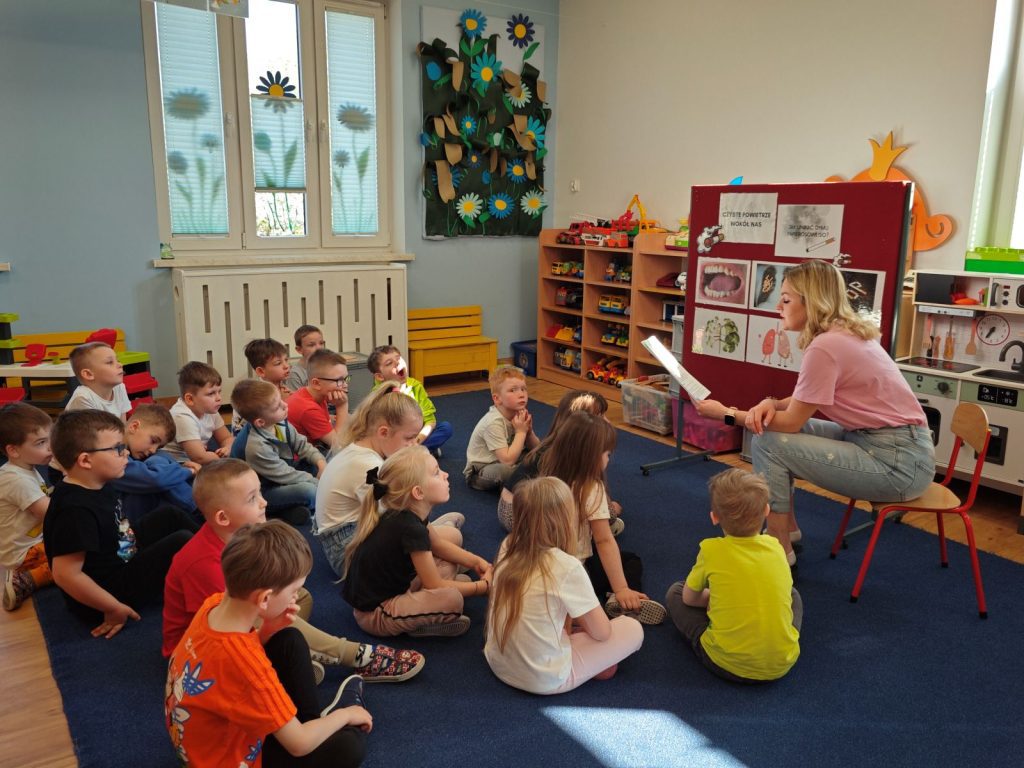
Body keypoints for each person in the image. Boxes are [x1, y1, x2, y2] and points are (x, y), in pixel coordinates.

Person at [694, 259, 935, 564]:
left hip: (898, 464)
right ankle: (786, 531)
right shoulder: (844, 334)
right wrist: (772, 402)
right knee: (768, 435)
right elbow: (803, 399)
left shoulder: (825, 347)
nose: (778, 307)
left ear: (812, 302)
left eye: (786, 300)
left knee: (768, 442)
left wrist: (725, 414)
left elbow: (791, 423)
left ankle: (779, 546)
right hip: (897, 448)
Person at [162, 459, 424, 683]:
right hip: (198, 657)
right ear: (223, 518)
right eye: (252, 498)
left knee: (300, 597)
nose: (264, 502)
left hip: (238, 624)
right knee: (276, 612)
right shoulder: (204, 564)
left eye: (260, 492)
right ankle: (354, 655)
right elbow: (225, 629)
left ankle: (287, 656)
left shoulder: (238, 539)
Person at [165, 520, 372, 768]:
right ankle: (324, 722)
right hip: (232, 759)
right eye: (294, 591)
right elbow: (299, 744)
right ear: (264, 599)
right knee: (350, 746)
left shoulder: (213, 604)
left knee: (289, 639)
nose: (296, 598)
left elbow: (228, 665)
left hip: (209, 739)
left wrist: (269, 629)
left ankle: (314, 724)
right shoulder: (247, 665)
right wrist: (345, 715)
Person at [42, 410, 197, 637]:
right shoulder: (75, 509)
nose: (125, 453)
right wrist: (112, 608)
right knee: (181, 541)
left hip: (122, 555)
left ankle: (225, 555)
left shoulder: (102, 482)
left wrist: (137, 549)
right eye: (117, 449)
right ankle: (222, 575)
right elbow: (65, 575)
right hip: (108, 594)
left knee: (170, 515)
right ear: (85, 460)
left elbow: (120, 526)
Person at [484, 477, 644, 694]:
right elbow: (603, 633)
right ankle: (583, 651)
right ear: (565, 521)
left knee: (564, 617)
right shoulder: (566, 566)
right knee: (632, 629)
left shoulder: (508, 545)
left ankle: (579, 642)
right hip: (544, 679)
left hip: (498, 664)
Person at [665, 469, 801, 683]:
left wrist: (714, 598)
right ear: (766, 511)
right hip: (783, 663)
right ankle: (777, 642)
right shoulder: (776, 546)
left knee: (675, 592)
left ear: (714, 517)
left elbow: (689, 599)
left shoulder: (711, 550)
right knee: (793, 594)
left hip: (725, 664)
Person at [341, 446, 492, 638]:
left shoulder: (408, 513)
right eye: (437, 472)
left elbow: (438, 545)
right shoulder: (411, 528)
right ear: (418, 492)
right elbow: (435, 584)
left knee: (452, 541)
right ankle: (421, 625)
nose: (446, 474)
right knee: (453, 599)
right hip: (376, 613)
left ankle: (431, 602)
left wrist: (476, 562)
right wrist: (482, 588)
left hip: (400, 586)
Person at [540, 411, 665, 624]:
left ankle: (591, 605)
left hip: (541, 572)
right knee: (630, 561)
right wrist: (622, 588)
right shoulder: (590, 488)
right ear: (591, 456)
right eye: (607, 454)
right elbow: (604, 540)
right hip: (574, 573)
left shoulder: (546, 476)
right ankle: (620, 600)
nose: (609, 458)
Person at [314, 387, 424, 578]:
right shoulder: (369, 467)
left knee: (441, 538)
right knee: (440, 542)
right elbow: (398, 521)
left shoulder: (361, 448)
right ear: (383, 432)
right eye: (409, 438)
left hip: (352, 533)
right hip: (347, 553)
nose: (414, 444)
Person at [497, 389, 623, 534]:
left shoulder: (550, 445)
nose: (607, 421)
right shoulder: (579, 455)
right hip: (527, 519)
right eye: (600, 416)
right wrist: (610, 511)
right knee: (612, 526)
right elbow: (592, 496)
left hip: (506, 508)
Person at [231, 379, 325, 526]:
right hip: (263, 490)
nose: (285, 405)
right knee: (310, 491)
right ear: (260, 422)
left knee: (320, 461)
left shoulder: (277, 421)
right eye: (277, 407)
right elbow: (284, 474)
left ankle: (290, 509)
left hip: (280, 472)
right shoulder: (256, 447)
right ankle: (275, 510)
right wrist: (321, 483)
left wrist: (321, 463)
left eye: (281, 400)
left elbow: (302, 445)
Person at [0, 403, 55, 611]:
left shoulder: (26, 468)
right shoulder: (16, 480)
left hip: (36, 542)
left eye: (50, 439)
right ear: (13, 450)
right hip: (25, 553)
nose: (50, 447)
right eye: (41, 443)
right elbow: (52, 513)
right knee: (78, 556)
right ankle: (27, 580)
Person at [110, 403, 199, 524]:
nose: (153, 450)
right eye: (153, 441)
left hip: (145, 511)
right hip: (126, 522)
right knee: (159, 465)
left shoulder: (134, 452)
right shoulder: (112, 454)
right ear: (134, 427)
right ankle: (199, 510)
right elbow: (155, 480)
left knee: (160, 458)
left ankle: (199, 509)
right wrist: (189, 471)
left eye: (158, 446)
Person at [464, 365, 539, 492]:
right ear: (497, 399)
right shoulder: (493, 422)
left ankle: (523, 478)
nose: (521, 394)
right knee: (504, 471)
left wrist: (529, 432)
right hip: (482, 470)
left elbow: (537, 449)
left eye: (523, 389)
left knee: (540, 456)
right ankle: (525, 479)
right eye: (513, 390)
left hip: (510, 458)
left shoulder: (519, 413)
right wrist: (521, 432)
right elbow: (507, 461)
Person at [367, 345, 452, 454]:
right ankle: (421, 451)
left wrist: (416, 442)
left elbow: (430, 421)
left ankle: (414, 451)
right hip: (395, 438)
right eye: (389, 363)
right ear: (380, 376)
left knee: (445, 428)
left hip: (416, 435)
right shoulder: (378, 394)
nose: (397, 363)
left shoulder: (415, 386)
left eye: (398, 358)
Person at [162, 361, 234, 466]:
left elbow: (226, 438)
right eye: (211, 393)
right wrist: (221, 457)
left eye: (219, 392)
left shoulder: (210, 410)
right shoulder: (182, 417)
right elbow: (199, 458)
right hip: (175, 462)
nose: (218, 398)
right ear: (190, 399)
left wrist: (227, 448)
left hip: (197, 456)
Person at [285, 349, 351, 454]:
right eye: (339, 380)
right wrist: (342, 406)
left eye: (346, 378)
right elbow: (339, 445)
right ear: (316, 383)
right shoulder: (308, 409)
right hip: (301, 459)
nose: (345, 385)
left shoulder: (313, 394)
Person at [231, 338, 294, 432]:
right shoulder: (255, 395)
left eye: (286, 360)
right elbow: (268, 424)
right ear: (261, 371)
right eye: (278, 363)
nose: (286, 366)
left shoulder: (283, 385)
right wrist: (284, 401)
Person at [64, 341, 131, 419]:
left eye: (117, 360)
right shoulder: (83, 398)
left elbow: (122, 424)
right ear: (88, 374)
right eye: (110, 362)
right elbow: (94, 427)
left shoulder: (119, 387)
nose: (120, 365)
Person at [285, 324, 327, 392]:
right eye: (311, 345)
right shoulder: (295, 374)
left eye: (321, 343)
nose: (319, 348)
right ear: (299, 350)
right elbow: (296, 398)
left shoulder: (328, 367)